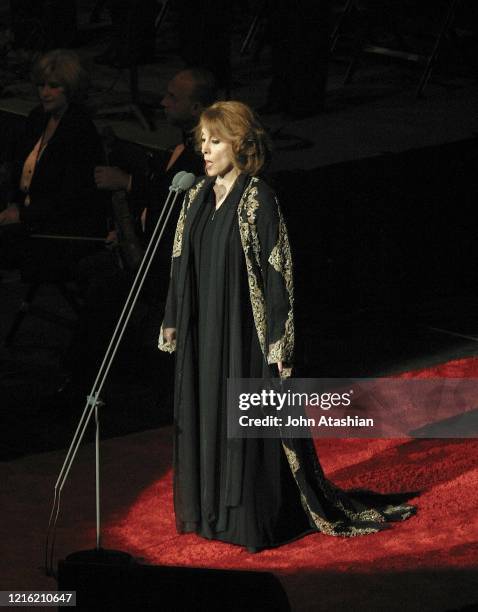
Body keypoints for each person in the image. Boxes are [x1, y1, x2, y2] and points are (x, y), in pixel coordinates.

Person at [159, 100, 415, 551]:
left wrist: (280, 344)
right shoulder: (196, 195)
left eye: (215, 141)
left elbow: (279, 275)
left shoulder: (258, 198)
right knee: (207, 414)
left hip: (243, 334)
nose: (205, 149)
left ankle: (249, 520)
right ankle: (210, 514)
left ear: (240, 144)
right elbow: (181, 261)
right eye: (202, 141)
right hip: (205, 332)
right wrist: (173, 319)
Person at [0, 48, 107, 280]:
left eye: (53, 86)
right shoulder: (38, 117)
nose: (45, 93)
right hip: (28, 214)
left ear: (70, 88)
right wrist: (13, 205)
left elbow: (71, 198)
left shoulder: (80, 130)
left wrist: (23, 215)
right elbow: (20, 170)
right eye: (41, 86)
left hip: (56, 227)